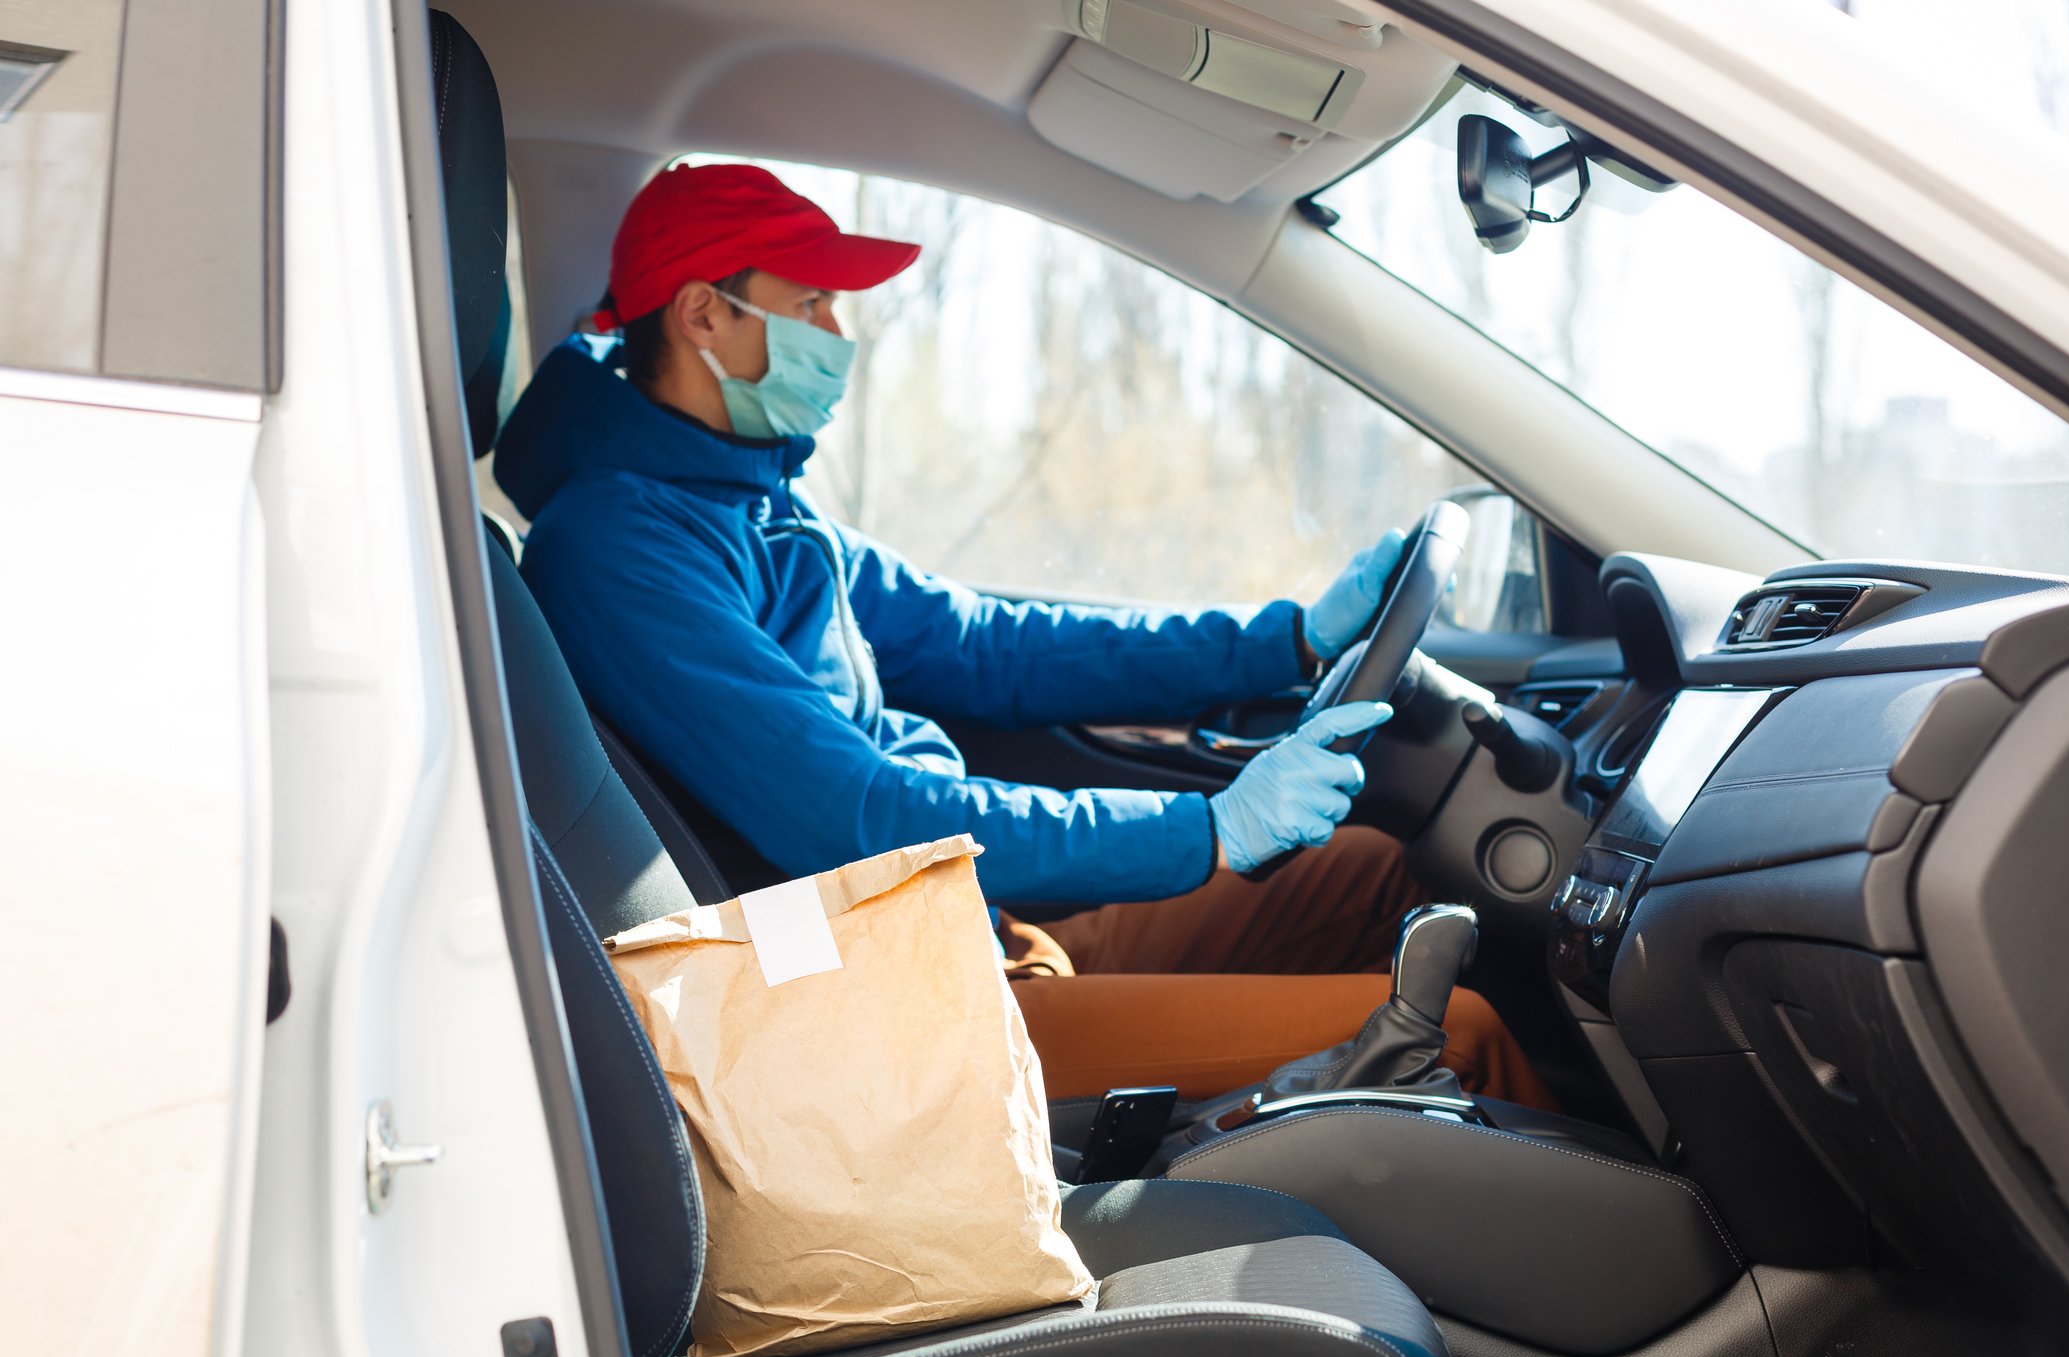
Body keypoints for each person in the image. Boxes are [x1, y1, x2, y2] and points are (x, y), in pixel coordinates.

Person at [495, 163, 1554, 1110]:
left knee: (1369, 873)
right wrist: (1210, 834)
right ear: (702, 315)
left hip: (978, 940)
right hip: (901, 1012)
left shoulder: (758, 507)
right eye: (809, 299)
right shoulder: (620, 548)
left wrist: (1285, 641)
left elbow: (989, 643)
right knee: (1460, 1039)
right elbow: (860, 815)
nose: (836, 332)